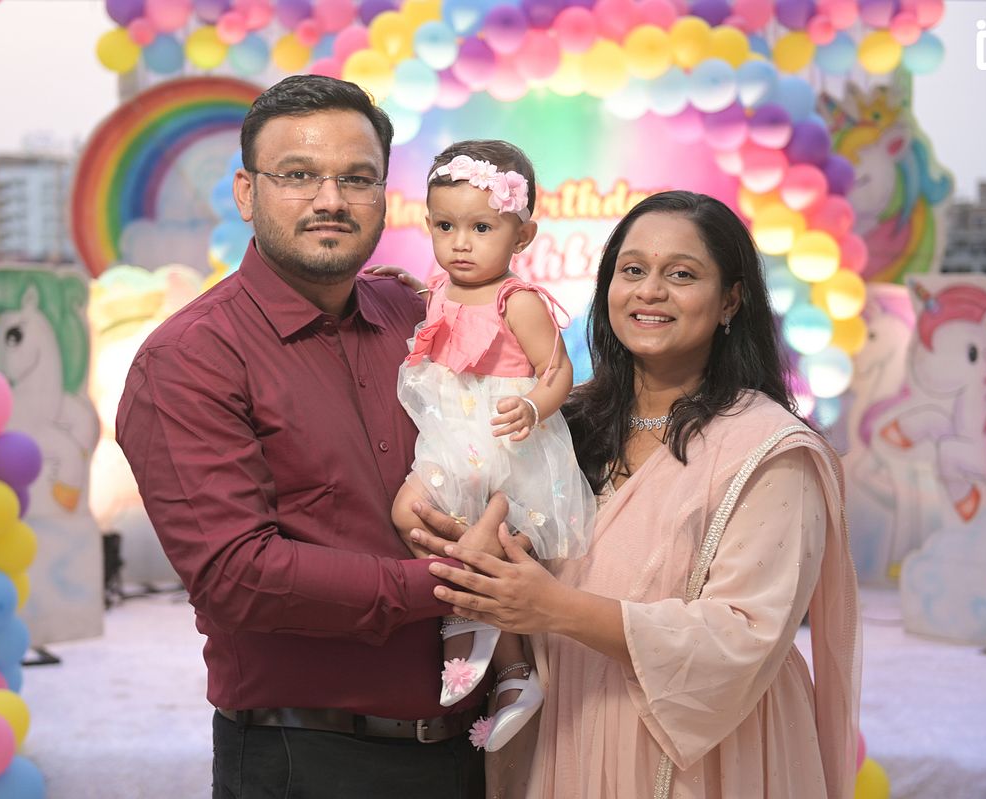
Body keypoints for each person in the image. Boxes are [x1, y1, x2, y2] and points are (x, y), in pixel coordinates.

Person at [411, 190, 861, 798]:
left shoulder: (769, 450)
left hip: (701, 757)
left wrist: (555, 608)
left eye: (682, 274)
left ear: (730, 299)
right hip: (565, 733)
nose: (650, 291)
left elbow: (744, 636)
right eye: (632, 270)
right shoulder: (563, 425)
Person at [116, 75, 488, 799]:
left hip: (472, 748)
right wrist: (453, 581)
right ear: (246, 193)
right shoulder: (191, 357)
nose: (330, 200)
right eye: (297, 175)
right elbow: (236, 575)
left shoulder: (415, 315)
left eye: (357, 178)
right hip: (306, 759)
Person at [387, 140, 596, 752]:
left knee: (493, 549)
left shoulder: (518, 300)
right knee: (411, 513)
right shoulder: (441, 288)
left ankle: (509, 665)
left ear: (522, 234)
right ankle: (477, 629)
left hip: (503, 444)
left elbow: (557, 370)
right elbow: (442, 325)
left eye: (481, 228)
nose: (461, 243)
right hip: (452, 442)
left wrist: (533, 406)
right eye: (445, 226)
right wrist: (409, 290)